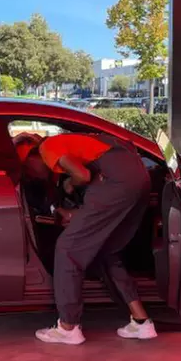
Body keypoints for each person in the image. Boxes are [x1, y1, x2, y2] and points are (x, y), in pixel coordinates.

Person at [16, 132, 156, 345]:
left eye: (26, 167)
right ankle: (142, 322)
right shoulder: (73, 142)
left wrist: (70, 184)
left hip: (116, 183)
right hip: (138, 180)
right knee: (107, 251)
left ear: (33, 156)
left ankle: (68, 327)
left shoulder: (48, 147)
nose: (30, 174)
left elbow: (82, 175)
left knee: (67, 249)